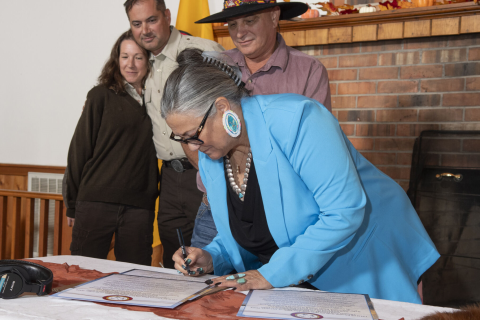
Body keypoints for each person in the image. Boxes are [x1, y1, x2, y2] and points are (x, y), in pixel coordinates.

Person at [164, 49, 439, 303]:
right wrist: (213, 255)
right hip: (297, 278)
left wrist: (271, 274)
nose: (192, 148)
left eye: (193, 135)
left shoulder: (300, 120)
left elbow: (344, 211)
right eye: (183, 139)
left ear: (223, 108)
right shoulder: (212, 152)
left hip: (362, 259)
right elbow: (250, 226)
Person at [191, 0, 332, 248]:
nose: (239, 32)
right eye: (232, 24)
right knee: (204, 281)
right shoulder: (213, 67)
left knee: (273, 285)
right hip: (217, 210)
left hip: (282, 214)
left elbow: (318, 148)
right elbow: (189, 129)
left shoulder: (309, 71)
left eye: (250, 20)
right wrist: (208, 173)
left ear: (274, 16)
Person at [123, 0, 225, 268]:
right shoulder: (142, 65)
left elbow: (233, 109)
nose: (144, 29)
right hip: (169, 177)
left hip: (205, 168)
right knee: (175, 255)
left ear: (167, 16)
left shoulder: (202, 52)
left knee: (210, 250)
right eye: (136, 23)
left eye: (151, 20)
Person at [64, 30, 159, 266]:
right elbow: (79, 151)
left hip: (139, 208)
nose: (131, 64)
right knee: (82, 276)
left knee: (136, 281)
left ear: (149, 60)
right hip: (95, 203)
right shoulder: (99, 96)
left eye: (138, 57)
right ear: (116, 60)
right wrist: (72, 204)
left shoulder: (160, 100)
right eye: (125, 56)